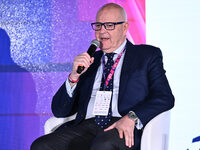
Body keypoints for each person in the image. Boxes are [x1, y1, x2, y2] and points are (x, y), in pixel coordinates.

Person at [31, 3, 174, 150]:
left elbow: (165, 97)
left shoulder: (146, 55)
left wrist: (132, 117)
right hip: (87, 125)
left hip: (122, 125)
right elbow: (59, 111)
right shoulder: (90, 61)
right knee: (41, 145)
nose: (102, 31)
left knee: (103, 145)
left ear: (124, 28)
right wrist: (73, 76)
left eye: (109, 25)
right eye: (98, 25)